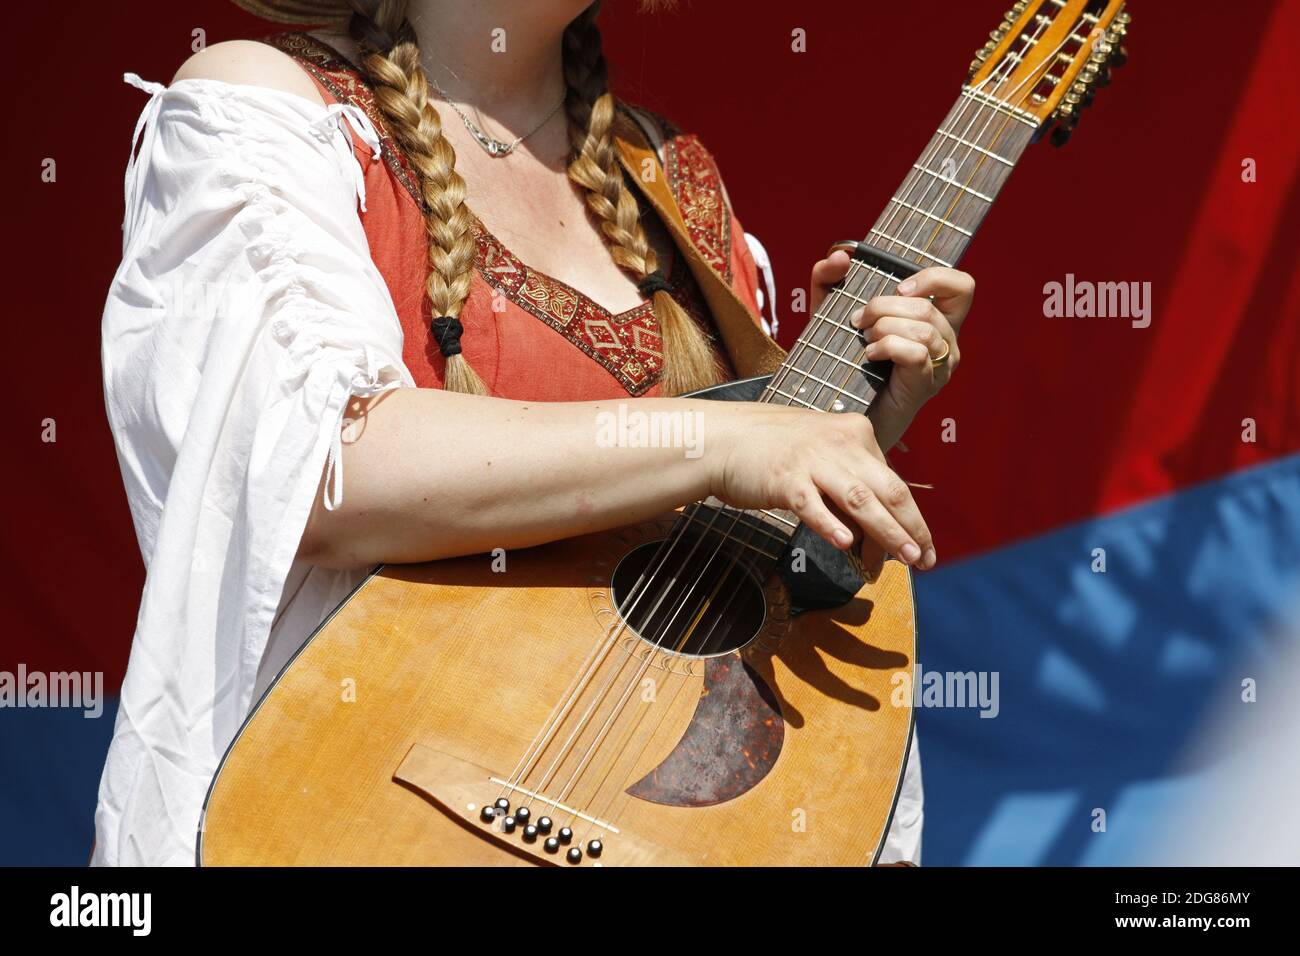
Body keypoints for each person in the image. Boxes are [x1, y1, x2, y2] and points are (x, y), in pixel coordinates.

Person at [95, 0, 974, 866]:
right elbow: (326, 471)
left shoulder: (673, 175)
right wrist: (727, 440)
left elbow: (719, 564)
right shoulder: (271, 107)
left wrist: (848, 423)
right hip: (360, 813)